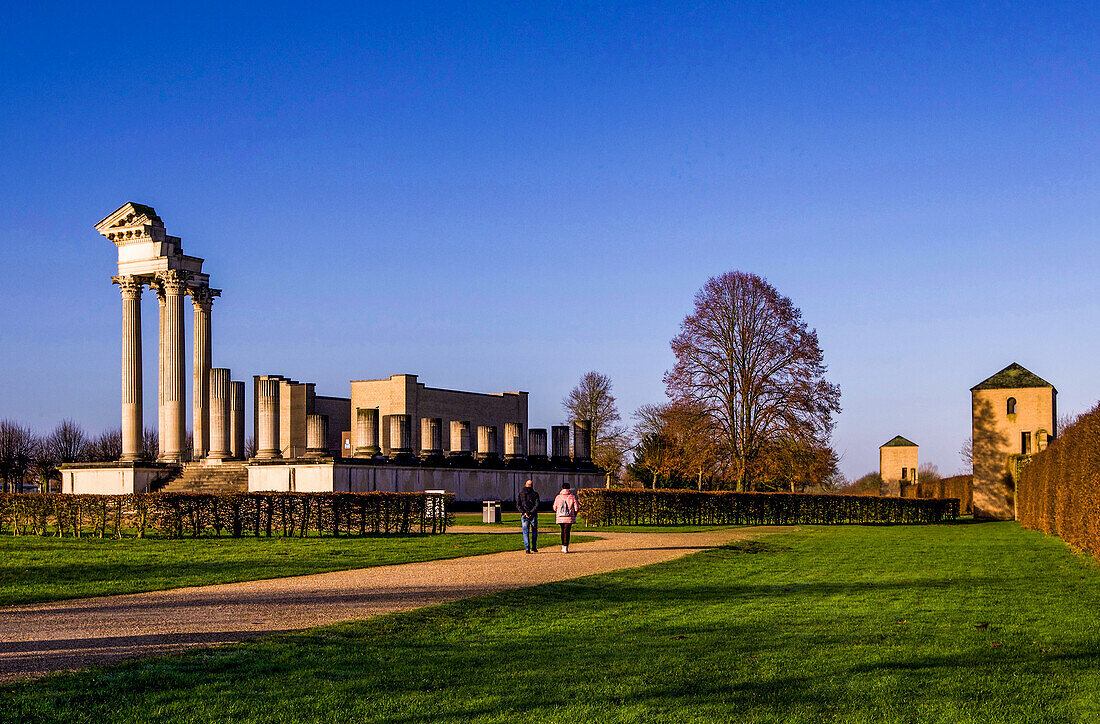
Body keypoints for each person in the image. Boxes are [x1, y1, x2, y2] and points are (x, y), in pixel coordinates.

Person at [553, 482, 580, 553]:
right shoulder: (572, 496)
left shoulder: (558, 497)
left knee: (562, 531)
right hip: (569, 517)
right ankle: (566, 546)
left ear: (562, 488)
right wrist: (574, 513)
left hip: (560, 517)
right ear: (569, 488)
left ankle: (563, 546)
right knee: (567, 532)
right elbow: (576, 508)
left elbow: (554, 508)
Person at [516, 479, 540, 553]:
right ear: (532, 486)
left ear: (525, 485)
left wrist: (524, 512)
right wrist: (531, 512)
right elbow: (537, 504)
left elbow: (518, 505)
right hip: (533, 514)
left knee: (525, 532)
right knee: (534, 531)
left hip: (524, 515)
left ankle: (527, 548)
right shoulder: (535, 494)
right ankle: (534, 546)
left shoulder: (521, 494)